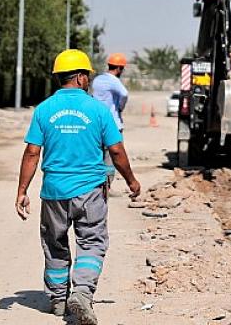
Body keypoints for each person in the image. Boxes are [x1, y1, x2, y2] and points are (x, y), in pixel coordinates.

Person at [14, 49, 141, 324]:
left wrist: (22, 191)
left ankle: (58, 300)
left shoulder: (44, 109)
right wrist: (131, 181)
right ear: (82, 77)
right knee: (92, 242)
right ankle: (82, 294)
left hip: (54, 192)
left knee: (54, 243)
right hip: (90, 191)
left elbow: (32, 152)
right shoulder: (97, 109)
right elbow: (116, 151)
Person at [91, 52, 130, 186]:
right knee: (112, 157)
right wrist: (120, 106)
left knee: (98, 155)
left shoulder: (97, 80)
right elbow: (124, 94)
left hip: (96, 124)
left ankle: (96, 184)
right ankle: (107, 185)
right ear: (119, 68)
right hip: (113, 124)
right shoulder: (114, 81)